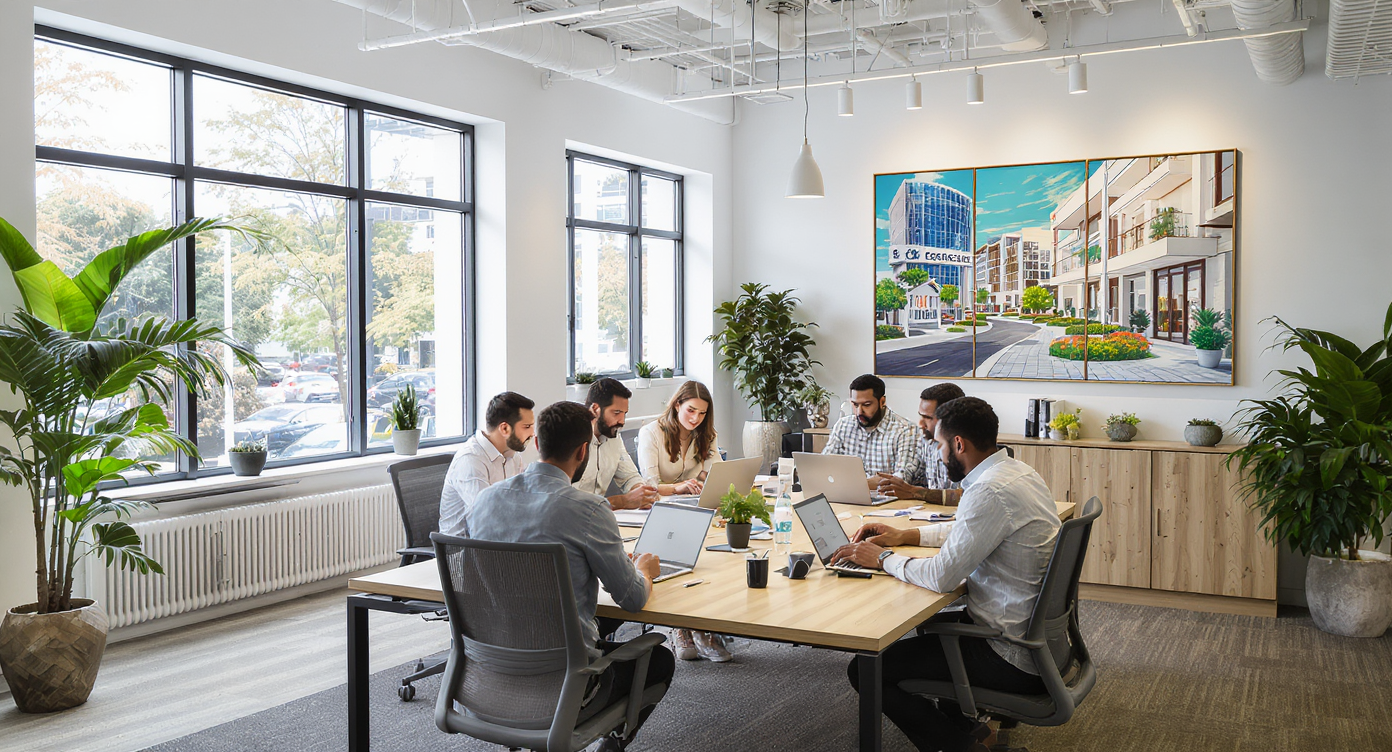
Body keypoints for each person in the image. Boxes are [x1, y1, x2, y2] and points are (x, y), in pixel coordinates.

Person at [830, 397, 1061, 752]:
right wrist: (906, 535)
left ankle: (958, 746)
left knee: (864, 670)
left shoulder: (988, 490)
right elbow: (967, 530)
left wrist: (883, 559)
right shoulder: (1016, 472)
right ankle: (969, 729)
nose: (937, 454)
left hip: (1007, 653)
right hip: (1038, 640)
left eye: (939, 444)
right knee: (931, 625)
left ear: (958, 444)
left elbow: (941, 577)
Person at [465, 401, 675, 749]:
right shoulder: (588, 510)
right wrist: (643, 571)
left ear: (536, 444)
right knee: (659, 659)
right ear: (583, 451)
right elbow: (634, 600)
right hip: (565, 687)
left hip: (491, 675)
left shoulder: (485, 501)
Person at [636, 380, 731, 663]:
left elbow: (711, 473)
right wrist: (677, 487)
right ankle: (682, 626)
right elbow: (649, 484)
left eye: (702, 413)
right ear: (677, 404)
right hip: (662, 509)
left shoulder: (706, 434)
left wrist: (698, 484)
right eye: (690, 410)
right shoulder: (651, 432)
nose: (695, 419)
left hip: (695, 506)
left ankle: (705, 626)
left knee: (716, 556)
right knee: (684, 555)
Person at [438, 391, 535, 536]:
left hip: (496, 541)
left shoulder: (512, 456)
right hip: (463, 550)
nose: (532, 433)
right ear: (504, 429)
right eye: (527, 427)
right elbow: (488, 515)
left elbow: (526, 497)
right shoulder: (470, 460)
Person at [573, 378, 661, 511]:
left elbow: (629, 477)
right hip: (573, 521)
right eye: (616, 413)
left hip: (599, 519)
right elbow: (569, 503)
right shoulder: (571, 439)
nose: (622, 421)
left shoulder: (614, 437)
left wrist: (642, 492)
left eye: (624, 414)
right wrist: (622, 501)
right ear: (595, 409)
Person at [823, 373, 920, 489]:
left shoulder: (906, 430)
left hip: (890, 502)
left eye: (866, 405)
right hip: (848, 497)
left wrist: (851, 484)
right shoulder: (843, 425)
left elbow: (901, 480)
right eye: (855, 405)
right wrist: (866, 484)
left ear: (882, 402)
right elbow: (825, 466)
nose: (859, 412)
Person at [875, 382, 966, 505]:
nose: (921, 424)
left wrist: (916, 492)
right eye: (921, 416)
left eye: (928, 418)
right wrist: (890, 482)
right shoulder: (926, 440)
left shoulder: (966, 447)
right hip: (932, 515)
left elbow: (968, 496)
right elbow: (912, 472)